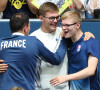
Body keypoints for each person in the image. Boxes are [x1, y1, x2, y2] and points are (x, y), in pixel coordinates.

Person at [0, 2, 95, 90]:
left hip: (64, 87)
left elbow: (80, 37)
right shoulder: (32, 38)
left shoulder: (65, 32)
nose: (55, 21)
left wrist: (88, 35)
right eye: (51, 18)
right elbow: (18, 61)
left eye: (57, 17)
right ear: (41, 18)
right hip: (42, 87)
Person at [0, 12, 67, 90]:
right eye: (29, 26)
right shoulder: (33, 42)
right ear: (25, 28)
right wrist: (64, 39)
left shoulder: (1, 42)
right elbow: (56, 59)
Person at [50, 11, 99, 90]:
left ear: (78, 25)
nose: (63, 28)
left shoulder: (90, 41)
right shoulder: (67, 42)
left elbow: (91, 70)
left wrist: (66, 78)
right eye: (62, 25)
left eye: (67, 25)